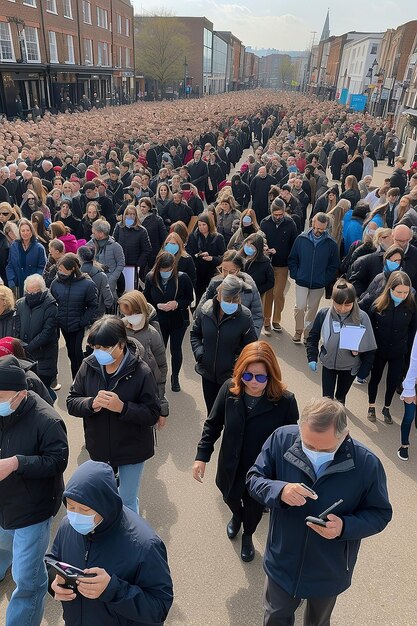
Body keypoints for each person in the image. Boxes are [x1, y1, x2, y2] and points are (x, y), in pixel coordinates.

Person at [246, 397, 392, 626]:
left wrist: (344, 527)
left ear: (345, 435)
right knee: (275, 617)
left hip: (328, 567)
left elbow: (380, 513)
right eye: (307, 445)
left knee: (318, 622)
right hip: (283, 559)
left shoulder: (366, 464)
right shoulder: (282, 438)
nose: (313, 452)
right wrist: (279, 490)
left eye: (323, 448)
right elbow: (254, 479)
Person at [193, 341, 298, 562]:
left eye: (260, 377)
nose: (253, 382)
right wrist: (202, 456)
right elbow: (213, 424)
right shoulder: (229, 390)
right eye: (247, 376)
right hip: (230, 464)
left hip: (261, 470)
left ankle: (248, 534)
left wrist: (286, 477)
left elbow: (291, 441)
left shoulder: (285, 401)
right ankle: (236, 517)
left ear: (271, 375)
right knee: (229, 496)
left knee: (254, 509)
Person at [48, 460, 173, 626]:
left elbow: (159, 606)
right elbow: (51, 560)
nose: (75, 516)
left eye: (85, 510)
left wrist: (113, 590)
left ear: (104, 506)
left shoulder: (145, 545)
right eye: (70, 507)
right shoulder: (67, 526)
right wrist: (53, 582)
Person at [0, 355, 68, 626]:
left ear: (22, 394)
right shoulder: (6, 408)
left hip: (33, 509)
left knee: (27, 581)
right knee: (7, 547)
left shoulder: (47, 420)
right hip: (4, 503)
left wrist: (18, 463)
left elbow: (58, 461)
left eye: (2, 397)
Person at [66, 317, 160, 513]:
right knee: (101, 495)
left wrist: (123, 408)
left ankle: (130, 538)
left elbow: (152, 414)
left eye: (105, 347)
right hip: (99, 445)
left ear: (121, 344)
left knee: (126, 500)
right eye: (95, 346)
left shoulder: (141, 372)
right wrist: (90, 403)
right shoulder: (88, 366)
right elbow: (71, 402)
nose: (99, 352)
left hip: (131, 448)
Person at [190, 274, 257, 414]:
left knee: (230, 415)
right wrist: (200, 354)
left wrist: (236, 364)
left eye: (235, 299)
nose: (231, 303)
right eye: (228, 299)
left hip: (231, 377)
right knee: (212, 413)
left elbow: (251, 347)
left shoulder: (245, 317)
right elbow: (195, 334)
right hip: (207, 374)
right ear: (219, 294)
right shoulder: (205, 311)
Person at [306, 278, 377, 405]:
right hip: (328, 364)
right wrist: (312, 357)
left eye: (348, 305)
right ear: (333, 300)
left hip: (349, 368)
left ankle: (337, 422)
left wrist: (363, 372)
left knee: (340, 399)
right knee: (326, 400)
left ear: (354, 302)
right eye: (338, 304)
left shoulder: (362, 318)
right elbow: (313, 336)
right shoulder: (323, 314)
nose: (342, 308)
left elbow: (370, 348)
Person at [366, 271, 416, 425]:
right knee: (375, 378)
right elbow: (369, 330)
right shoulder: (377, 305)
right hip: (379, 351)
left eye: (405, 292)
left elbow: (413, 332)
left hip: (398, 352)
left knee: (393, 381)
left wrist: (409, 358)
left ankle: (386, 407)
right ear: (390, 289)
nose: (402, 296)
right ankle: (371, 406)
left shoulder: (412, 307)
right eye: (399, 292)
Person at [144, 251, 193, 392]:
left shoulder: (182, 278)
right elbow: (146, 298)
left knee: (176, 350)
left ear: (173, 266)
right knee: (159, 350)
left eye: (168, 270)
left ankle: (175, 377)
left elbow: (189, 298)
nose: (165, 273)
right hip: (159, 320)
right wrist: (157, 305)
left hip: (178, 320)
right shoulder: (150, 278)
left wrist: (177, 303)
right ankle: (159, 377)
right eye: (162, 270)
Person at [118, 289, 169, 426]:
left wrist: (162, 405)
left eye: (132, 314)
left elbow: (161, 369)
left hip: (145, 391)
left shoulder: (153, 334)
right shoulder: (119, 327)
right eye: (125, 314)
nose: (129, 318)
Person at [288, 212, 339, 343]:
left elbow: (334, 266)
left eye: (322, 229)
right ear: (312, 224)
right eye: (316, 228)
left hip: (318, 283)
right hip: (301, 280)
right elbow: (293, 258)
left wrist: (325, 279)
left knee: (312, 310)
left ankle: (307, 334)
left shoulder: (331, 244)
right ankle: (298, 331)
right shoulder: (301, 239)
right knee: (300, 307)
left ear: (326, 227)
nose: (318, 231)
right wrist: (296, 274)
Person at [50, 253, 98, 378]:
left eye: (62, 269)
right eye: (59, 268)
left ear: (72, 269)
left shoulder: (87, 284)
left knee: (77, 353)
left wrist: (83, 321)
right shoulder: (56, 283)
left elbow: (93, 306)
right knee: (71, 353)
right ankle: (75, 380)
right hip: (63, 325)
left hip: (78, 325)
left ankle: (82, 378)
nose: (59, 271)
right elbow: (52, 301)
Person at [196, 250, 264, 337]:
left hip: (239, 338)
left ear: (239, 269)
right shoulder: (215, 283)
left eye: (231, 272)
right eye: (224, 270)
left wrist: (250, 339)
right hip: (216, 337)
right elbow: (201, 310)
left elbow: (257, 315)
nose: (227, 275)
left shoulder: (249, 287)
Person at [15, 274, 58, 390]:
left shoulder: (51, 305)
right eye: (28, 293)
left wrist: (28, 347)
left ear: (42, 290)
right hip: (25, 357)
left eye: (35, 292)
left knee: (44, 391)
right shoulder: (20, 304)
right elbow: (16, 328)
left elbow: (47, 333)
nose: (31, 295)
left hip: (44, 356)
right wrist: (21, 345)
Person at [186, 212, 226, 303]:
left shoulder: (218, 238)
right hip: (197, 272)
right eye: (199, 225)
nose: (201, 227)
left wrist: (211, 258)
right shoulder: (193, 236)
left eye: (204, 225)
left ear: (209, 225)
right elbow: (189, 252)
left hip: (211, 272)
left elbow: (223, 257)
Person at [6, 218, 47, 298]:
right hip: (17, 285)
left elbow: (42, 267)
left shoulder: (39, 248)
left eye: (28, 230)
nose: (25, 233)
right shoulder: (14, 245)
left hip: (33, 287)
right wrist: (11, 280)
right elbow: (10, 264)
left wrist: (34, 282)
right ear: (20, 232)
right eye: (23, 231)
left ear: (32, 232)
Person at [358, 245, 404, 313]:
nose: (393, 263)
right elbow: (367, 298)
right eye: (391, 260)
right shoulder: (379, 277)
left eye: (397, 261)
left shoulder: (403, 280)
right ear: (385, 260)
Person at [114, 205, 152, 284]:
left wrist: (138, 265)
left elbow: (147, 250)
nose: (130, 216)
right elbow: (113, 243)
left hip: (134, 266)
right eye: (128, 214)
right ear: (125, 215)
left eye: (133, 214)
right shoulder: (119, 227)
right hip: (119, 265)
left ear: (136, 215)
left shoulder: (142, 231)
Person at [90, 220, 125, 297]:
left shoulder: (116, 246)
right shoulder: (90, 244)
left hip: (110, 284)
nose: (92, 235)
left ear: (101, 234)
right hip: (94, 281)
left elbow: (121, 264)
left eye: (94, 233)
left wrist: (112, 278)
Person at [77, 245, 114, 317]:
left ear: (79, 258)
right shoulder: (101, 275)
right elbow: (108, 299)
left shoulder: (75, 275)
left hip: (80, 315)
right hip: (97, 314)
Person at [240, 232, 274, 299]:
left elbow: (270, 282)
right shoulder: (238, 258)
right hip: (239, 295)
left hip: (255, 296)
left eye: (252, 246)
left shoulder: (265, 263)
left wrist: (257, 291)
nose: (248, 247)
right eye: (248, 244)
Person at [138, 197, 167, 268]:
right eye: (141, 206)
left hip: (154, 253)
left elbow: (164, 237)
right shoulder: (137, 219)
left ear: (149, 207)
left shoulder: (157, 220)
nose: (142, 208)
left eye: (144, 207)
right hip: (140, 253)